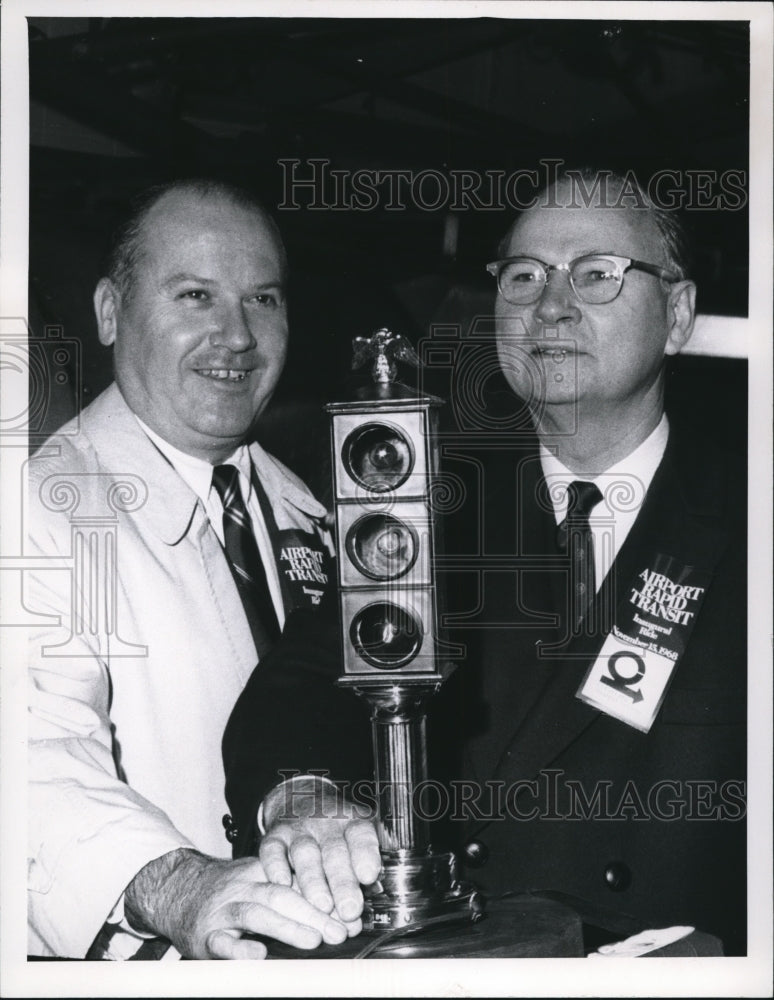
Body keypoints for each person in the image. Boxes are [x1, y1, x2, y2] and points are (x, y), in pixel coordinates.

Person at [224, 168, 747, 955]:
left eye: (598, 274)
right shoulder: (427, 507)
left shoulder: (747, 516)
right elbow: (301, 683)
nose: (551, 305)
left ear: (677, 315)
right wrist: (304, 795)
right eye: (525, 276)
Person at [26, 178, 379, 960]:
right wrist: (185, 887)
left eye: (263, 299)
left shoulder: (314, 509)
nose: (237, 336)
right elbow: (28, 760)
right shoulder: (39, 509)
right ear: (111, 312)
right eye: (194, 296)